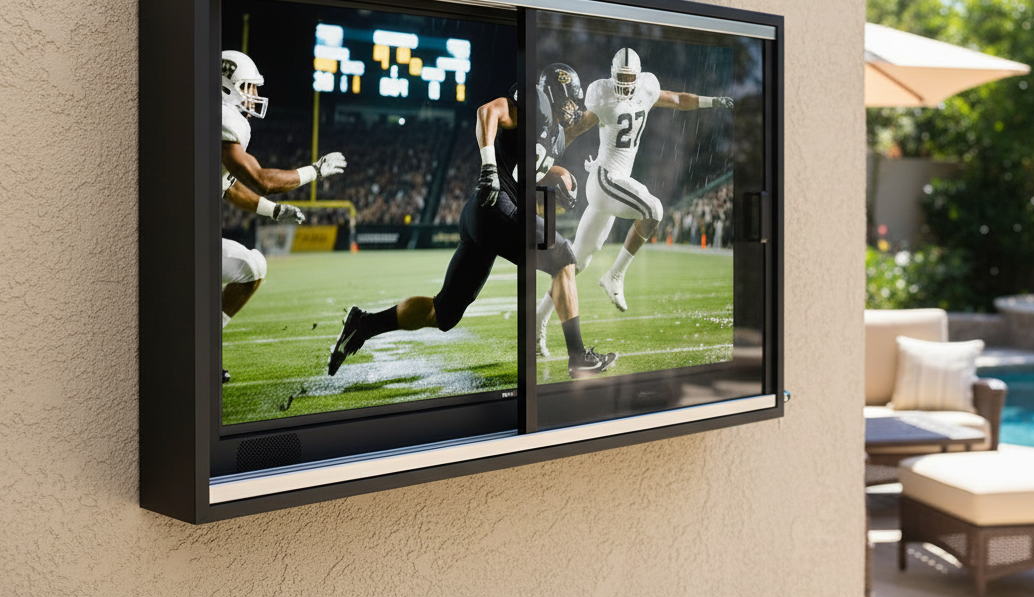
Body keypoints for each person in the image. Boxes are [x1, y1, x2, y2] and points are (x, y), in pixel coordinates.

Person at [327, 64, 616, 380]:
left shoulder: (556, 137)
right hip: (493, 204)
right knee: (564, 258)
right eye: (570, 100)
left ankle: (365, 324)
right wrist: (489, 167)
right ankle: (578, 357)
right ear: (553, 94)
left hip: (484, 216)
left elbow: (566, 141)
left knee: (445, 312)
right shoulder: (534, 106)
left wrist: (556, 187)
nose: (574, 109)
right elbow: (487, 111)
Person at [534, 47, 732, 357]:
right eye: (621, 78)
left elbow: (678, 100)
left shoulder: (647, 89)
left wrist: (711, 102)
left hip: (613, 186)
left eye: (630, 79)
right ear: (612, 76)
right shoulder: (601, 95)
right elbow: (577, 127)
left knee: (574, 262)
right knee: (653, 209)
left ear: (638, 77)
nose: (625, 84)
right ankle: (615, 274)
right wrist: (546, 158)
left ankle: (538, 318)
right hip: (604, 179)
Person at [219, 50, 347, 381]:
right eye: (248, 87)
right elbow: (260, 179)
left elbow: (227, 186)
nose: (254, 95)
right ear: (226, 86)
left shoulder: (209, 116)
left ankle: (201, 346)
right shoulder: (223, 119)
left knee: (253, 266)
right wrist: (315, 171)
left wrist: (272, 211)